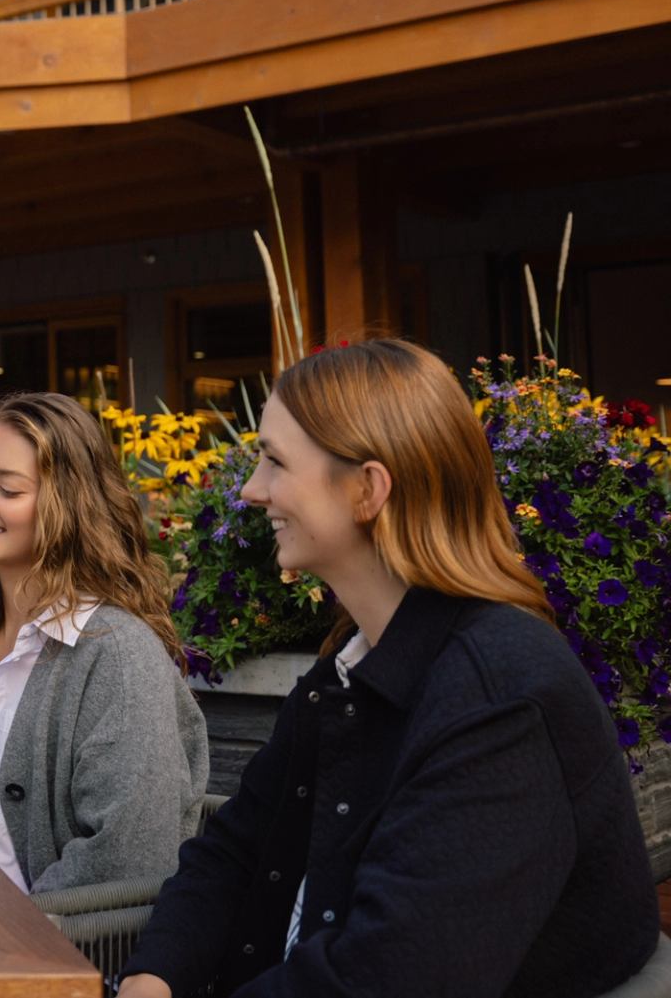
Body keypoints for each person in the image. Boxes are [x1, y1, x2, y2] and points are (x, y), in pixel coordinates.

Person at [120, 338, 662, 998]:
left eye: (274, 461)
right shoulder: (352, 666)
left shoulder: (500, 695)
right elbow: (232, 851)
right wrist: (151, 976)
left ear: (367, 489)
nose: (254, 490)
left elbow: (395, 973)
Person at [0, 392, 208, 895]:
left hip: (61, 958)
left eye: (8, 489)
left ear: (68, 505)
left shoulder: (117, 656)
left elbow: (129, 859)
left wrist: (1, 936)